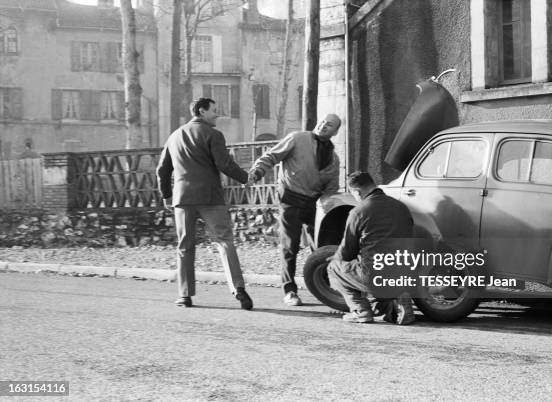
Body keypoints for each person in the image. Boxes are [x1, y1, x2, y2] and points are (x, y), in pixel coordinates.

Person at [156, 97, 253, 310]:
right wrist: (246, 178)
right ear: (202, 111)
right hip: (210, 197)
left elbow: (162, 170)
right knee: (224, 241)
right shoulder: (213, 134)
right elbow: (224, 163)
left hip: (182, 199)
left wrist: (167, 196)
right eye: (214, 111)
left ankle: (184, 295)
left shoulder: (174, 136)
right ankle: (238, 289)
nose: (217, 114)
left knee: (185, 246)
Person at [248, 114, 341, 306]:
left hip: (314, 203)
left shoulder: (333, 158)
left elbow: (331, 189)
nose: (323, 125)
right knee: (290, 246)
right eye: (323, 121)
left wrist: (328, 208)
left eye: (329, 125)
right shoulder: (298, 138)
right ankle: (289, 290)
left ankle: (324, 287)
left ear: (335, 132)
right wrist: (257, 172)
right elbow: (271, 156)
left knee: (321, 247)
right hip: (291, 198)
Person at [327, 171, 415, 324]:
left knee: (334, 268)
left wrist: (334, 260)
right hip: (405, 273)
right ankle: (398, 303)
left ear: (357, 192)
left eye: (353, 194)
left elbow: (347, 251)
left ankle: (361, 311)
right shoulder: (401, 207)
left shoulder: (359, 212)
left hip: (376, 276)